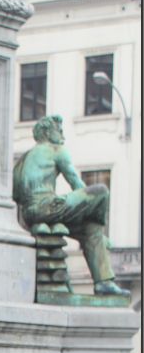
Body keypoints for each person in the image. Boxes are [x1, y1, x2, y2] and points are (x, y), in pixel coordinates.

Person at [13, 114, 125, 296]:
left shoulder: (22, 159)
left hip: (27, 215)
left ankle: (103, 281)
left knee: (90, 230)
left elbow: (16, 195)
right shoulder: (57, 150)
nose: (63, 135)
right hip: (48, 207)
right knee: (101, 192)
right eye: (59, 131)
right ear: (47, 132)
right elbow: (76, 184)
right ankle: (103, 279)